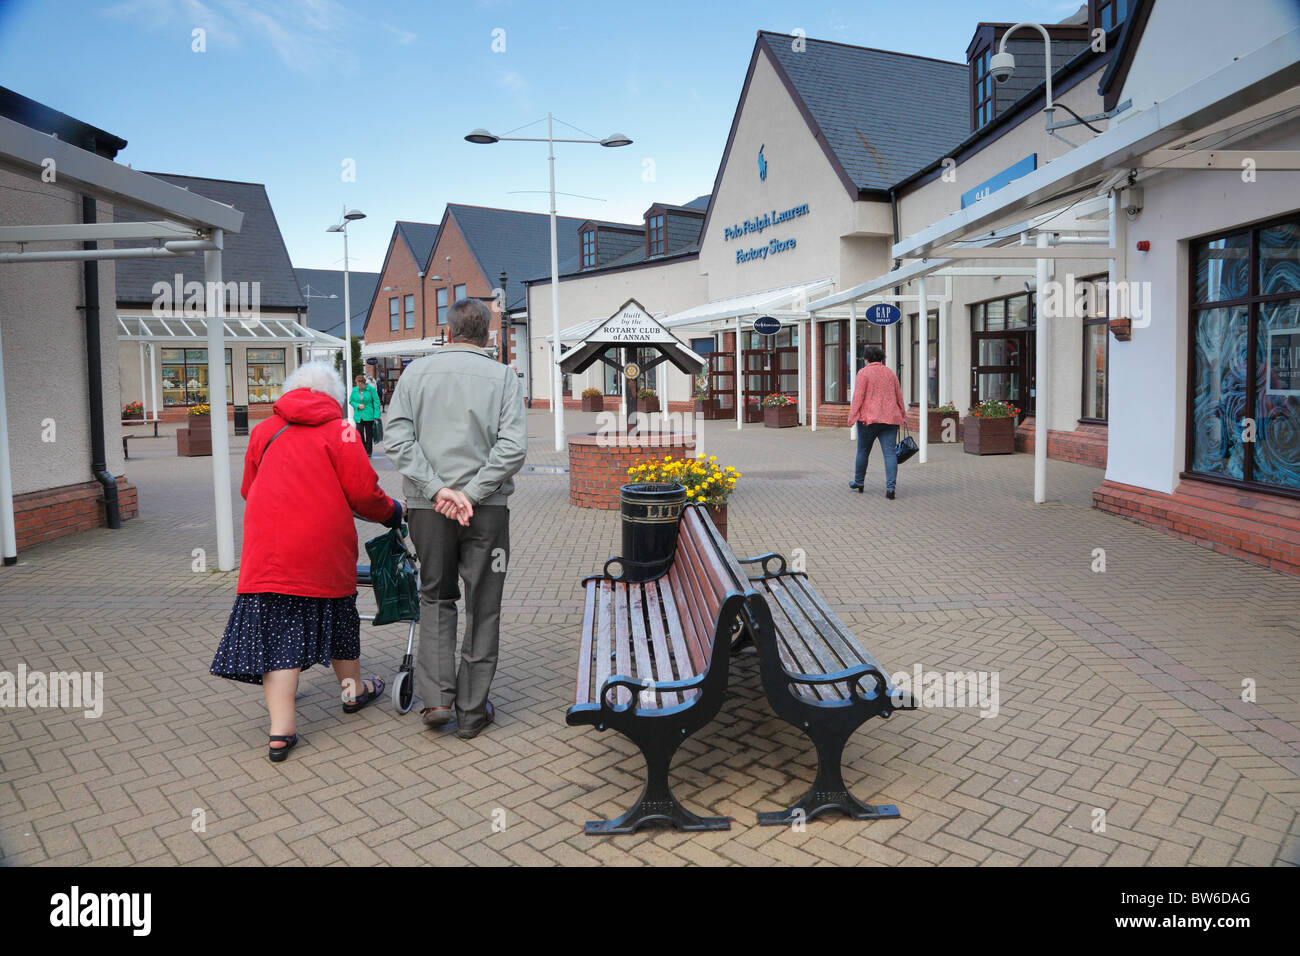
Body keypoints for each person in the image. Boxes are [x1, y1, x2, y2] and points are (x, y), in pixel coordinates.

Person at [211, 361, 403, 762]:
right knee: (338, 618)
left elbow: (249, 488)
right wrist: (393, 513)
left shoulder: (265, 429)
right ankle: (353, 693)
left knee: (279, 635)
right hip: (322, 547)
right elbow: (364, 494)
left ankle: (281, 732)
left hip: (269, 551)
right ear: (333, 397)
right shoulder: (342, 431)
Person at [384, 299, 527, 739]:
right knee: (484, 606)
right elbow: (512, 447)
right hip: (486, 510)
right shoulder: (503, 377)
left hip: (429, 510)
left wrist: (437, 490)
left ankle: (437, 700)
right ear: (486, 334)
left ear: (448, 331)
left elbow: (397, 439)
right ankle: (471, 710)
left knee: (435, 596)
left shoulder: (414, 374)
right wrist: (470, 493)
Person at [847, 344, 906, 499]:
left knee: (863, 451)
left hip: (868, 420)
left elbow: (858, 397)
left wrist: (852, 417)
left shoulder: (863, 373)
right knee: (890, 454)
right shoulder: (890, 373)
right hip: (890, 419)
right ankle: (891, 488)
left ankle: (859, 482)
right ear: (881, 358)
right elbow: (899, 395)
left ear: (866, 358)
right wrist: (903, 414)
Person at [349, 374, 381, 456]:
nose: (358, 387)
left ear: (364, 383)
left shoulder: (371, 390)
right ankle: (363, 449)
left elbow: (376, 402)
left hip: (369, 415)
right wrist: (357, 405)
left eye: (360, 385)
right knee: (360, 433)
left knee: (369, 434)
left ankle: (369, 451)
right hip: (358, 416)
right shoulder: (354, 390)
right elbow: (351, 401)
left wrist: (376, 416)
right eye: (357, 384)